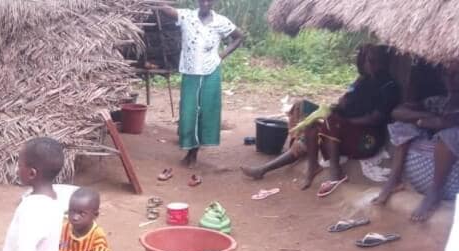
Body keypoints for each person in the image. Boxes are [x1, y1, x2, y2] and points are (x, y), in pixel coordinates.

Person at [241, 45, 400, 196]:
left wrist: (345, 121)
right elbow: (346, 101)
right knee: (312, 126)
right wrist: (340, 106)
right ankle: (311, 167)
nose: (368, 64)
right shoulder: (363, 81)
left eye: (372, 60)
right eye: (366, 59)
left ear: (383, 62)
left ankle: (335, 172)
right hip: (348, 130)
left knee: (331, 122)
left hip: (367, 139)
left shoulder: (389, 86)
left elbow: (375, 118)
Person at [156, 0, 243, 167]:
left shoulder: (221, 22)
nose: (205, 3)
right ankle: (190, 149)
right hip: (190, 72)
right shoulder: (187, 16)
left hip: (210, 72)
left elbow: (239, 37)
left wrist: (221, 56)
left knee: (206, 112)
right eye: (202, 0)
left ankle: (193, 154)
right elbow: (166, 9)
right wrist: (153, 2)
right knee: (188, 111)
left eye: (209, 0)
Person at [372, 64, 459, 222]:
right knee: (402, 126)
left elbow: (446, 123)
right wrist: (425, 117)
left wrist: (434, 122)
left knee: (451, 134)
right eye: (448, 75)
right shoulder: (439, 101)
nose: (451, 80)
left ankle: (435, 193)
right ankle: (394, 179)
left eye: (456, 75)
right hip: (424, 164)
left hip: (452, 177)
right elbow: (397, 112)